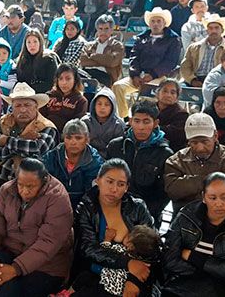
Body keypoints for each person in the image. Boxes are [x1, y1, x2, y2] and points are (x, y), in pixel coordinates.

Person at [0, 158, 73, 297]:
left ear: (44, 181)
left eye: (31, 186)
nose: (24, 191)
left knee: (7, 292)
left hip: (47, 266)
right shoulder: (7, 190)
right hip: (11, 252)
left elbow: (48, 243)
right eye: (21, 185)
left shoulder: (57, 197)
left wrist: (15, 269)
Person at [72, 159, 158, 297]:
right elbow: (88, 248)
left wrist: (134, 281)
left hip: (136, 275)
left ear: (127, 187)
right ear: (98, 180)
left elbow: (152, 247)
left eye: (121, 184)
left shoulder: (137, 207)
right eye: (109, 181)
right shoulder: (86, 207)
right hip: (95, 276)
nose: (114, 189)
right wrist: (127, 262)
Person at [162, 172, 225, 297]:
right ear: (204, 197)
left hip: (220, 290)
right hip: (179, 286)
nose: (219, 203)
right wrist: (206, 272)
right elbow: (169, 259)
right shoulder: (187, 216)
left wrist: (193, 257)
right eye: (213, 198)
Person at [106, 100, 173, 224]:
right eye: (137, 121)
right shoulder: (115, 146)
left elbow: (163, 195)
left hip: (146, 215)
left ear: (155, 123)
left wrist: (141, 213)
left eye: (146, 121)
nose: (141, 127)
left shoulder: (164, 154)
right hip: (113, 208)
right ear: (130, 121)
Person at [164, 112, 225, 214]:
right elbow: (172, 191)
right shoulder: (176, 161)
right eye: (194, 142)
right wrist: (208, 182)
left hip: (222, 215)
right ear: (188, 141)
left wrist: (190, 185)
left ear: (215, 136)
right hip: (185, 215)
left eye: (205, 142)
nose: (200, 148)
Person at [112, 8, 181, 119]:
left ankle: (150, 120)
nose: (156, 24)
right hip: (139, 76)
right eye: (153, 21)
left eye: (159, 21)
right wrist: (135, 75)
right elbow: (134, 57)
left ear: (164, 23)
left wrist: (153, 75)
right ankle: (123, 118)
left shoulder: (173, 39)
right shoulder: (141, 37)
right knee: (118, 86)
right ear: (149, 23)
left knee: (150, 90)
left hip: (160, 77)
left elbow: (170, 62)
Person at [0, 83, 57, 185]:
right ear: (12, 108)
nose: (22, 110)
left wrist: (5, 140)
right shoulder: (2, 122)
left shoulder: (46, 127)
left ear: (36, 107)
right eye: (18, 105)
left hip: (30, 186)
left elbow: (37, 150)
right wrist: (21, 140)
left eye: (27, 105)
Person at [42, 119, 103, 208]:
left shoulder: (95, 162)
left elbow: (93, 195)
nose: (73, 142)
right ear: (63, 139)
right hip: (54, 204)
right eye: (68, 137)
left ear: (87, 139)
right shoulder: (52, 157)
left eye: (78, 138)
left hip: (84, 208)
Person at [180, 13, 225, 87]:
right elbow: (185, 67)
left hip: (219, 81)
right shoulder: (194, 47)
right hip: (195, 79)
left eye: (216, 28)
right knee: (180, 87)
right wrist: (192, 80)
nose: (213, 30)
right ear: (207, 31)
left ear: (222, 30)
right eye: (210, 28)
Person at [40, 63, 88, 132]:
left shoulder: (81, 101)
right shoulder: (48, 96)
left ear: (75, 80)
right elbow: (40, 117)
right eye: (60, 79)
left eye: (68, 79)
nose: (64, 82)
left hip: (67, 135)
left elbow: (76, 125)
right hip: (46, 132)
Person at [80, 14, 124, 88]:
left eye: (106, 29)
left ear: (111, 30)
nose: (103, 32)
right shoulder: (89, 45)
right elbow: (83, 61)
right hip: (86, 73)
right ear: (97, 30)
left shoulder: (117, 46)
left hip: (105, 76)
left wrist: (92, 56)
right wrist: (103, 61)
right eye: (100, 29)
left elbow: (112, 62)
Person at [81, 88, 125, 159]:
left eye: (107, 104)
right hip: (87, 158)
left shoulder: (119, 125)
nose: (102, 107)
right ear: (94, 105)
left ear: (112, 107)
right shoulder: (85, 122)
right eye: (99, 104)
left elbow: (119, 150)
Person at [16, 29, 60, 94]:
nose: (32, 45)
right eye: (29, 42)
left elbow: (52, 83)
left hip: (45, 95)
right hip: (25, 95)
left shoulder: (49, 59)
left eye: (35, 42)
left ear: (40, 42)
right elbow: (20, 80)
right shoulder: (22, 60)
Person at [156, 79, 189, 152]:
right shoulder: (150, 108)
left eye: (173, 92)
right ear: (158, 93)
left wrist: (152, 127)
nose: (168, 95)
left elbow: (173, 134)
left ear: (177, 97)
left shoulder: (181, 114)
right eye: (165, 91)